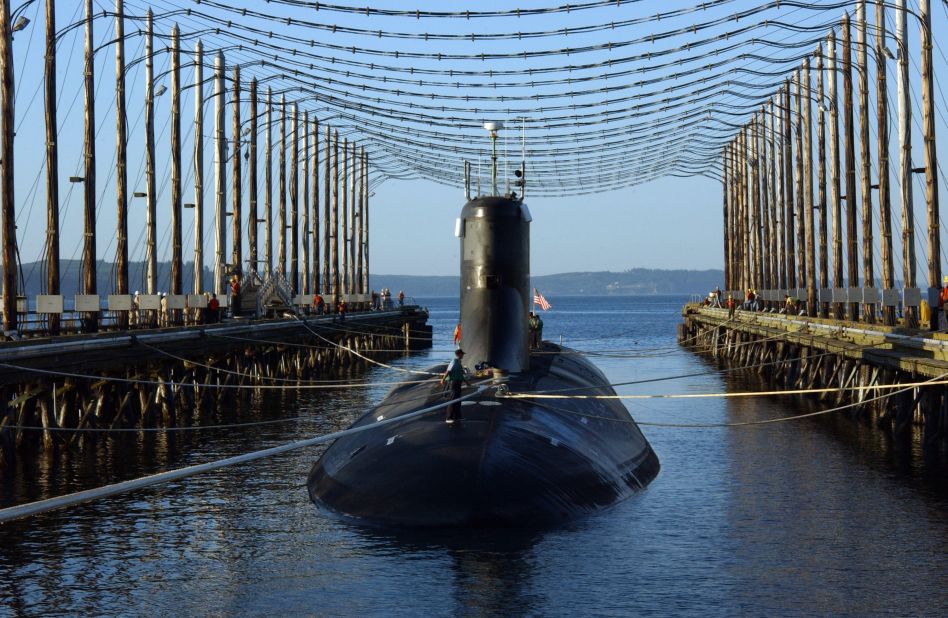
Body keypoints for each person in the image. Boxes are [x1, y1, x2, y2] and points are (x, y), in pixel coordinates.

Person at [440, 348, 470, 424]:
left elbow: (460, 375)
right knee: (452, 399)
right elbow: (448, 371)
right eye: (462, 354)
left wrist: (466, 382)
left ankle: (457, 416)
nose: (463, 355)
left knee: (458, 399)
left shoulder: (459, 362)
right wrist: (443, 379)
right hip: (453, 382)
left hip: (458, 382)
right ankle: (448, 417)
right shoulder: (453, 361)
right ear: (459, 354)